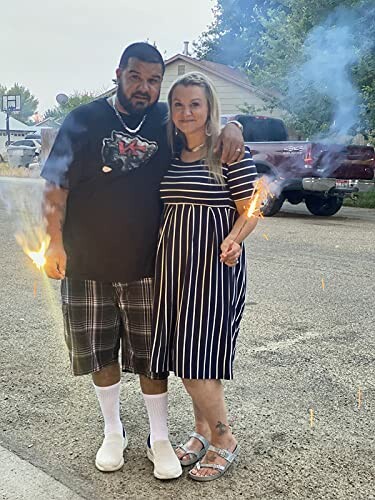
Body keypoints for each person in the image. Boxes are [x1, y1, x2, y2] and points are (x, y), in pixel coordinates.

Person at [40, 43, 245, 479]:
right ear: (118, 73)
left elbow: (202, 127)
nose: (145, 88)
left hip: (150, 267)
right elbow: (55, 185)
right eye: (136, 77)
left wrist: (234, 125)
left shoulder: (164, 120)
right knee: (100, 353)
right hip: (85, 261)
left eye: (154, 80)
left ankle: (160, 437)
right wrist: (53, 243)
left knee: (153, 357)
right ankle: (113, 431)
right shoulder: (84, 120)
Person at [150, 72, 258, 481]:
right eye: (178, 104)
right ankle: (200, 432)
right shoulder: (173, 153)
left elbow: (251, 208)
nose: (186, 112)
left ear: (210, 106)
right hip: (174, 273)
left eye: (195, 104)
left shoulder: (228, 152)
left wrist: (233, 239)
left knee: (199, 365)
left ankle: (225, 439)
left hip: (213, 271)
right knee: (187, 360)